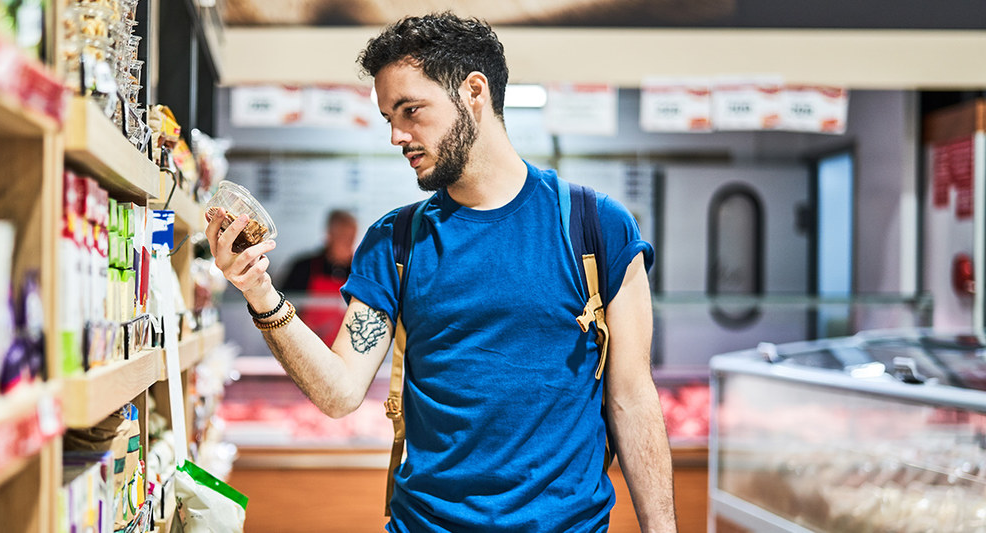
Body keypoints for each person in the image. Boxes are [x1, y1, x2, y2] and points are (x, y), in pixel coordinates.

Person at [205, 12, 676, 532]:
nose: (396, 136)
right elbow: (339, 391)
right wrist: (257, 288)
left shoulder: (597, 227)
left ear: (474, 92)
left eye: (411, 110)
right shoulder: (396, 242)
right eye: (388, 117)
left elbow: (632, 399)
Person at [281, 209, 358, 343]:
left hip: (346, 347)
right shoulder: (303, 267)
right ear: (329, 235)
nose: (348, 244)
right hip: (307, 345)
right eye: (343, 237)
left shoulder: (359, 273)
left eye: (351, 238)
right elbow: (282, 308)